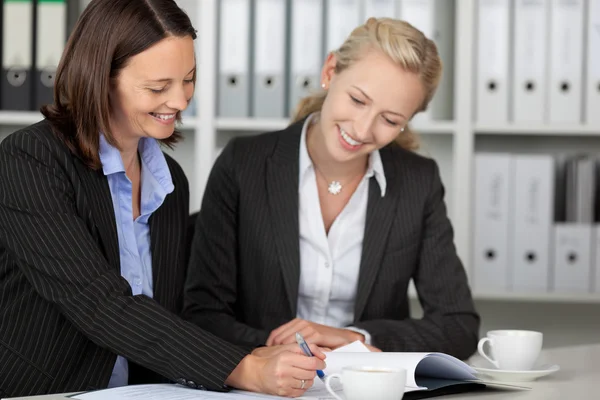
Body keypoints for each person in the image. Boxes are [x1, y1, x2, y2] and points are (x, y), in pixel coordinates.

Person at [0, 0, 325, 398]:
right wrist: (243, 368)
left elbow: (164, 317)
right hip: (38, 391)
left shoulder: (169, 181)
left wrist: (257, 353)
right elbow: (99, 303)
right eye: (158, 87)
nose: (181, 101)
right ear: (101, 77)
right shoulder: (30, 161)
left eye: (188, 79)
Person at [183, 17, 480, 360]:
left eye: (390, 120)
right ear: (329, 72)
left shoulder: (418, 182)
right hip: (264, 386)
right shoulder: (243, 164)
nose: (363, 128)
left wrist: (351, 337)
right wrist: (280, 350)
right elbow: (202, 314)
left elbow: (458, 326)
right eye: (357, 100)